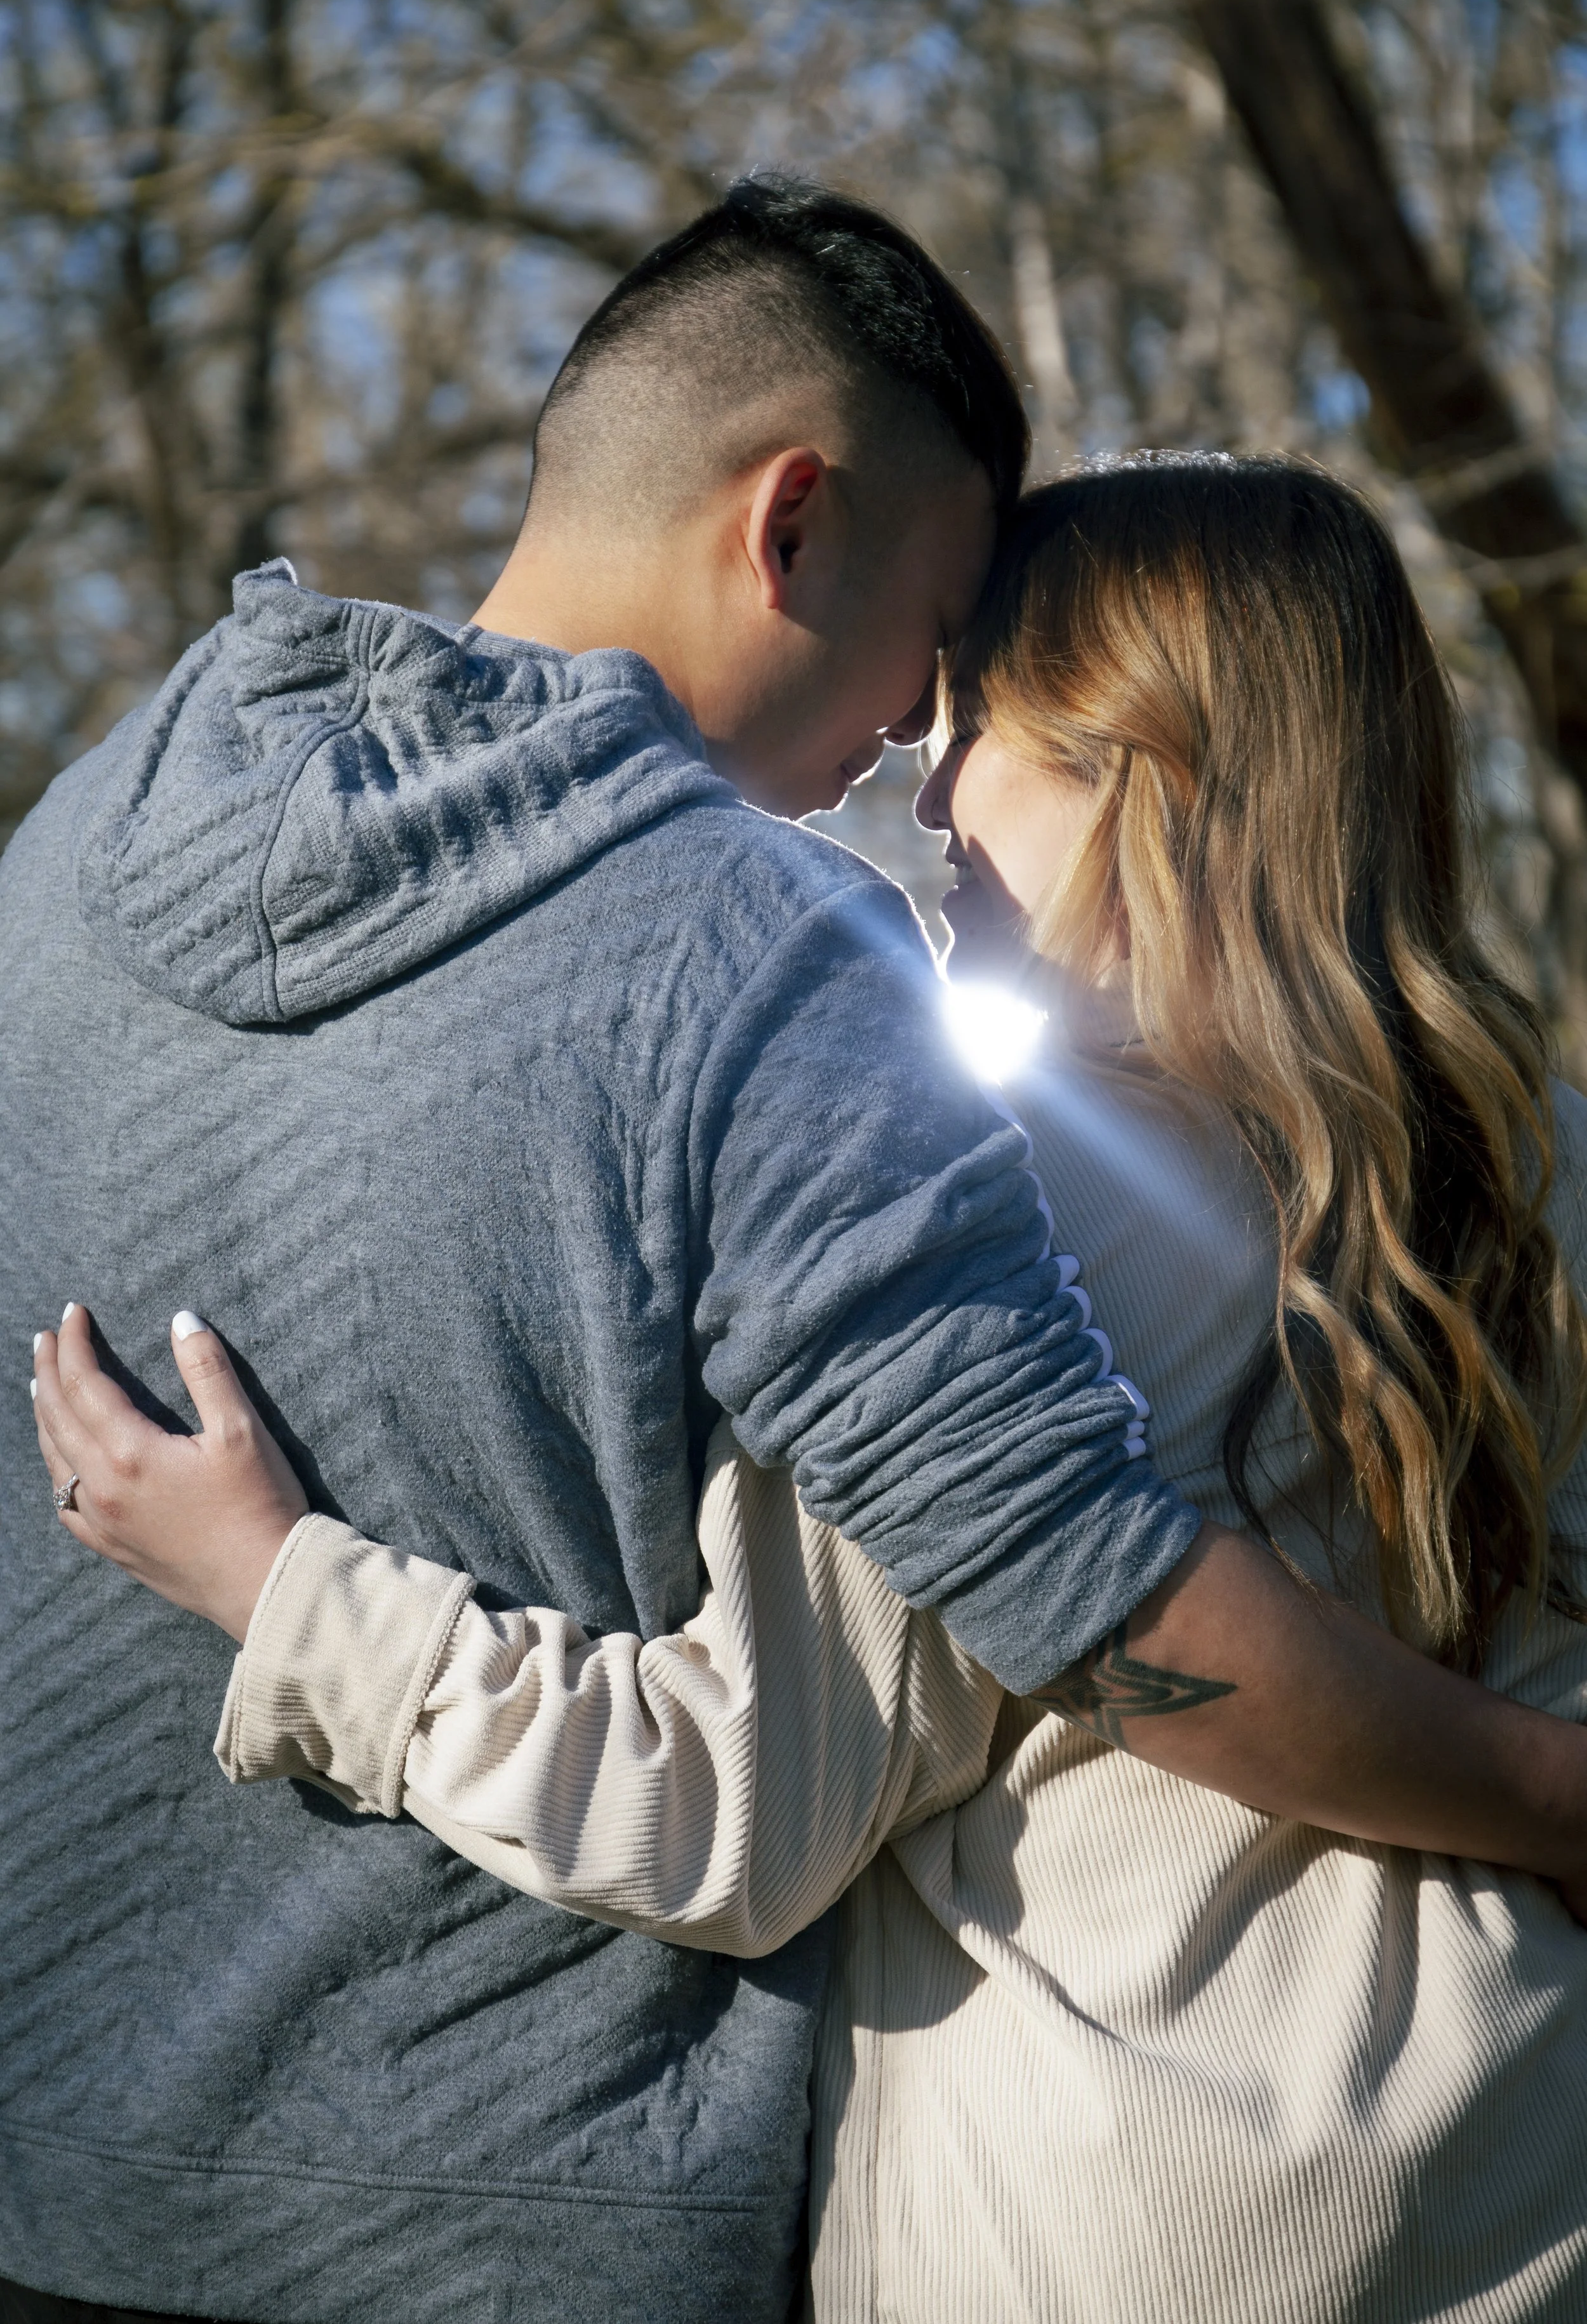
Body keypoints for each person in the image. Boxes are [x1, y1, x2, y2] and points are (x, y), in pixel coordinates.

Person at [32, 458, 1587, 2321]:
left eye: (973, 733)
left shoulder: (1017, 1195)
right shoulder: (1542, 1159)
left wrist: (293, 1595)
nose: (922, 799)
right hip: (1521, 2183)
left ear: (1141, 763)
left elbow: (724, 1808)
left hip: (1105, 2232)